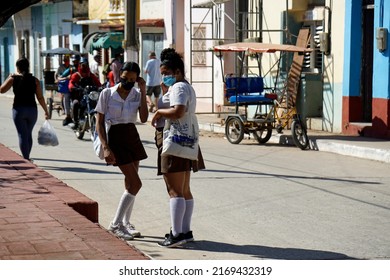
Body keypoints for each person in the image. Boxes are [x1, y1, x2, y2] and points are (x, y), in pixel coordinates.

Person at [151, 48, 205, 248]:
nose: (164, 76)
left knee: (174, 190)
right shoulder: (184, 86)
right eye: (162, 73)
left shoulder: (179, 88)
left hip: (174, 141)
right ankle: (184, 231)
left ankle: (176, 234)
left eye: (166, 73)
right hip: (186, 141)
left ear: (178, 72)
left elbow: (178, 111)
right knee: (184, 189)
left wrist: (159, 113)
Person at [95, 61, 148, 240]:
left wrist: (143, 90)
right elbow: (99, 123)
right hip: (115, 137)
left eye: (132, 79)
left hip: (131, 135)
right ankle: (115, 224)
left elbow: (144, 117)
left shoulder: (136, 93)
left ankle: (126, 223)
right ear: (119, 76)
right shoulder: (107, 94)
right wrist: (105, 147)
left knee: (130, 183)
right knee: (136, 183)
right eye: (125, 78)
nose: (128, 82)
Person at [0, 57, 49, 160]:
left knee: (22, 135)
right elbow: (40, 97)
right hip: (32, 111)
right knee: (28, 134)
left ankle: (26, 159)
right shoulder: (35, 80)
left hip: (19, 110)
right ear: (28, 67)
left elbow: (1, 90)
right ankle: (27, 157)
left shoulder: (13, 78)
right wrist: (46, 110)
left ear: (17, 68)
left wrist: (8, 78)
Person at [68, 57, 101, 128]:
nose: (84, 66)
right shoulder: (76, 75)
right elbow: (71, 83)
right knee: (75, 103)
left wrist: (101, 87)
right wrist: (73, 87)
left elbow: (98, 83)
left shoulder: (90, 75)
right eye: (83, 65)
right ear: (79, 65)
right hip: (79, 96)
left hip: (90, 95)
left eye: (86, 64)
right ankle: (76, 122)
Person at [55, 55, 73, 126]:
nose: (66, 61)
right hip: (64, 84)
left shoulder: (71, 67)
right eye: (65, 60)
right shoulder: (60, 67)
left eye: (68, 60)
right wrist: (64, 78)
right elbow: (58, 76)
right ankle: (67, 114)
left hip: (71, 84)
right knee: (66, 97)